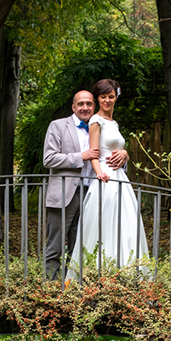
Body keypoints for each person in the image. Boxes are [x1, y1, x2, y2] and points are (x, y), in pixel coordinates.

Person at [67, 79, 149, 281]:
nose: (107, 100)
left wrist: (125, 153)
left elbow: (117, 149)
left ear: (116, 97)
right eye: (103, 97)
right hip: (106, 178)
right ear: (98, 98)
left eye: (111, 96)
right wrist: (98, 172)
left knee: (126, 225)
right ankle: (97, 277)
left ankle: (125, 275)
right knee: (104, 226)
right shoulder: (96, 121)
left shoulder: (114, 123)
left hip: (121, 178)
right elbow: (94, 153)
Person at [42, 89, 129, 281]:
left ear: (94, 105)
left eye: (89, 103)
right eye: (80, 104)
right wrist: (81, 157)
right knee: (55, 246)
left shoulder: (102, 126)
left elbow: (111, 154)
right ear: (73, 107)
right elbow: (48, 159)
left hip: (93, 194)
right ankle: (49, 290)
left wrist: (125, 155)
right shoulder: (58, 126)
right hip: (65, 194)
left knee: (81, 247)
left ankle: (75, 289)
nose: (85, 107)